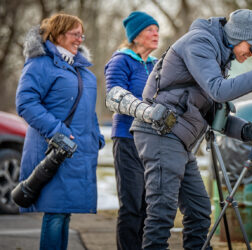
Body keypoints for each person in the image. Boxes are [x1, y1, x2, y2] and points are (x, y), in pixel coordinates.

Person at [121, 9, 252, 249]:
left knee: (200, 212)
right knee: (162, 212)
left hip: (179, 139)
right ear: (238, 37)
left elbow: (211, 113)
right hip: (160, 133)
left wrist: (245, 131)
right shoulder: (201, 42)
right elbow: (219, 90)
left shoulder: (219, 54)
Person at [15, 13, 104, 250]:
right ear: (59, 33)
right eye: (75, 34)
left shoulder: (81, 69)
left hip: (76, 151)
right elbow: (26, 103)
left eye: (81, 34)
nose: (80, 39)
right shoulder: (40, 63)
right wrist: (57, 131)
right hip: (53, 150)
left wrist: (96, 135)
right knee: (55, 213)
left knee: (64, 213)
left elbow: (88, 109)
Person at [104, 11, 159, 250]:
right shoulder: (120, 61)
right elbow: (114, 96)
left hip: (153, 141)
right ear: (135, 36)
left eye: (157, 30)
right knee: (132, 204)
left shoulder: (157, 64)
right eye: (150, 30)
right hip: (127, 138)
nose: (156, 34)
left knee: (149, 204)